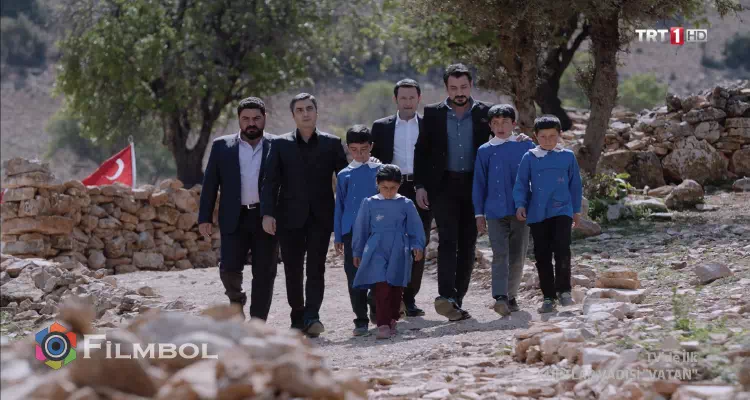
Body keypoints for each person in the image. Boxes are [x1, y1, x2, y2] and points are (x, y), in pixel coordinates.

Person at [261, 93, 349, 337]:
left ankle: (313, 316)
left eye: (309, 108)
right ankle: (297, 316)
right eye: (299, 110)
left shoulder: (332, 143)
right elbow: (270, 181)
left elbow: (345, 181)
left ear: (316, 112)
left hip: (322, 217)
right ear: (293, 115)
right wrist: (267, 213)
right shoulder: (280, 144)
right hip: (288, 218)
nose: (305, 113)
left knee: (316, 268)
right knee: (293, 270)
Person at [198, 97, 278, 321]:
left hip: (265, 218)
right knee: (229, 268)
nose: (251, 123)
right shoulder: (221, 146)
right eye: (246, 119)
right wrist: (204, 217)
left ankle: (258, 321)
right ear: (239, 120)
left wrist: (276, 214)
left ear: (264, 118)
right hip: (234, 217)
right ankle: (236, 302)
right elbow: (210, 184)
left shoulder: (278, 145)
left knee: (265, 272)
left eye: (256, 118)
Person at [371, 78, 433, 317]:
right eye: (403, 98)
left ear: (419, 99)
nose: (408, 102)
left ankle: (409, 299)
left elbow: (434, 159)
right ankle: (388, 298)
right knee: (390, 243)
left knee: (419, 242)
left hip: (421, 189)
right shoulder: (381, 127)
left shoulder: (429, 125)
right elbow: (374, 160)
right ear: (395, 99)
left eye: (412, 98)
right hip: (391, 189)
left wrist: (425, 185)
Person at [513, 115, 583, 314]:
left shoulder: (567, 156)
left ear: (560, 134)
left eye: (552, 136)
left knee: (562, 250)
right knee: (542, 255)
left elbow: (575, 185)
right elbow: (521, 183)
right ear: (535, 136)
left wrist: (576, 210)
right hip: (538, 212)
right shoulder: (529, 157)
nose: (548, 140)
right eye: (543, 136)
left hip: (562, 210)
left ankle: (564, 291)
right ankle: (548, 297)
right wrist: (520, 205)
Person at [472, 104, 535, 316]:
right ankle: (500, 297)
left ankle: (511, 296)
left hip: (520, 211)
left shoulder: (525, 146)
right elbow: (479, 184)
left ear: (514, 124)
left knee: (517, 255)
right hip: (494, 212)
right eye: (496, 123)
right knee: (500, 254)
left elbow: (533, 177)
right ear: (490, 126)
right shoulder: (484, 151)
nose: (500, 127)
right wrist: (479, 214)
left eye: (505, 122)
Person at [351, 165, 426, 339]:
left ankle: (393, 318)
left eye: (393, 188)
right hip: (376, 248)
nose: (389, 191)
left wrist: (417, 245)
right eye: (384, 187)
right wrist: (357, 251)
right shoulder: (369, 203)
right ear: (377, 184)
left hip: (399, 249)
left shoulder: (406, 204)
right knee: (381, 286)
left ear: (399, 185)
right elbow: (361, 229)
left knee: (395, 286)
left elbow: (415, 227)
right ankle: (383, 324)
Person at [334, 125, 382, 336]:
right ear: (348, 148)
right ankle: (360, 319)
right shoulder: (344, 175)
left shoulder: (381, 171)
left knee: (379, 271)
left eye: (364, 149)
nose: (359, 154)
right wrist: (338, 235)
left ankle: (375, 305)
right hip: (352, 233)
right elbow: (339, 206)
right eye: (354, 150)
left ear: (371, 146)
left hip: (377, 231)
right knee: (354, 276)